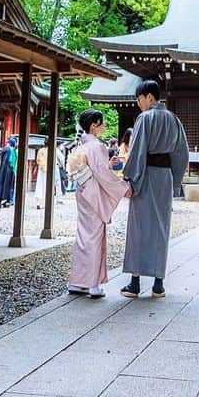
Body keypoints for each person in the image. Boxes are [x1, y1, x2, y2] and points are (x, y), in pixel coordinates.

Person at [120, 78, 189, 298]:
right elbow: (182, 153)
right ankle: (158, 283)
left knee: (138, 227)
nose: (139, 103)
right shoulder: (174, 119)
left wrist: (131, 178)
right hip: (165, 177)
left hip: (146, 174)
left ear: (149, 97)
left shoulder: (144, 118)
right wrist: (174, 180)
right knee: (161, 227)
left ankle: (135, 282)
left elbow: (138, 150)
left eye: (140, 99)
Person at [67, 110, 129, 297]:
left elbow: (98, 168)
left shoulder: (82, 145)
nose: (103, 126)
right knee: (94, 238)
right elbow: (102, 174)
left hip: (83, 191)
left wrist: (108, 165)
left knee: (83, 237)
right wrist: (123, 188)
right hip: (94, 193)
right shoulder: (96, 146)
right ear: (94, 125)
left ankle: (78, 282)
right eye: (101, 123)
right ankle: (93, 284)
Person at [0, 134, 17, 207]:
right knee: (9, 186)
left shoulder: (7, 148)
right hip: (11, 171)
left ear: (9, 143)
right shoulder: (14, 151)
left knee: (1, 184)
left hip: (4, 170)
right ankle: (7, 201)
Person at [35, 141, 49, 209]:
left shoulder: (40, 150)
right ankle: (45, 203)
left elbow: (37, 160)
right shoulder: (51, 151)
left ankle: (38, 202)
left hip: (41, 169)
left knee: (39, 185)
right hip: (48, 170)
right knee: (46, 186)